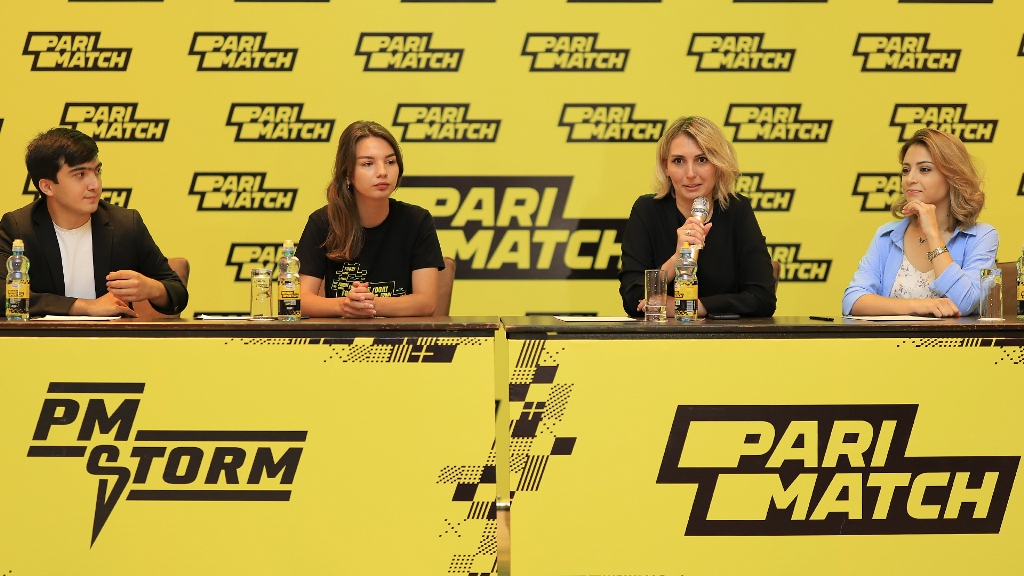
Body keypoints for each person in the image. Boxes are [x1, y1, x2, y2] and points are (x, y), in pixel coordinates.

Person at [0, 128, 187, 317]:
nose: (95, 185)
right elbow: (2, 295)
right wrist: (86, 307)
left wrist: (152, 289)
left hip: (110, 336)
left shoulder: (125, 224)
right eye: (80, 175)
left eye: (97, 171)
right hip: (43, 336)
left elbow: (177, 292)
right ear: (47, 186)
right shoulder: (18, 228)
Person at [619, 116, 776, 318]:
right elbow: (633, 298)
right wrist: (677, 259)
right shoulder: (647, 211)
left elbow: (763, 299)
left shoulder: (737, 210)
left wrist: (690, 307)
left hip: (724, 337)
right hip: (662, 338)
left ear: (718, 164)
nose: (691, 173)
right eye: (678, 161)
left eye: (702, 160)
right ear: (666, 167)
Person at [843, 128, 997, 317]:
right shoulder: (887, 235)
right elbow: (852, 301)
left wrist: (932, 232)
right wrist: (918, 305)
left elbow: (964, 304)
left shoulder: (981, 237)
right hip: (891, 338)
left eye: (924, 169)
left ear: (952, 176)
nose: (910, 179)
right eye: (906, 170)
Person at [297, 121, 444, 318]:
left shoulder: (417, 221)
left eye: (390, 162)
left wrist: (367, 304)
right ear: (348, 173)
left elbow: (426, 302)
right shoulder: (323, 222)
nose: (382, 172)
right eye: (368, 163)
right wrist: (344, 306)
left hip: (400, 335)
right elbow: (300, 300)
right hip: (340, 334)